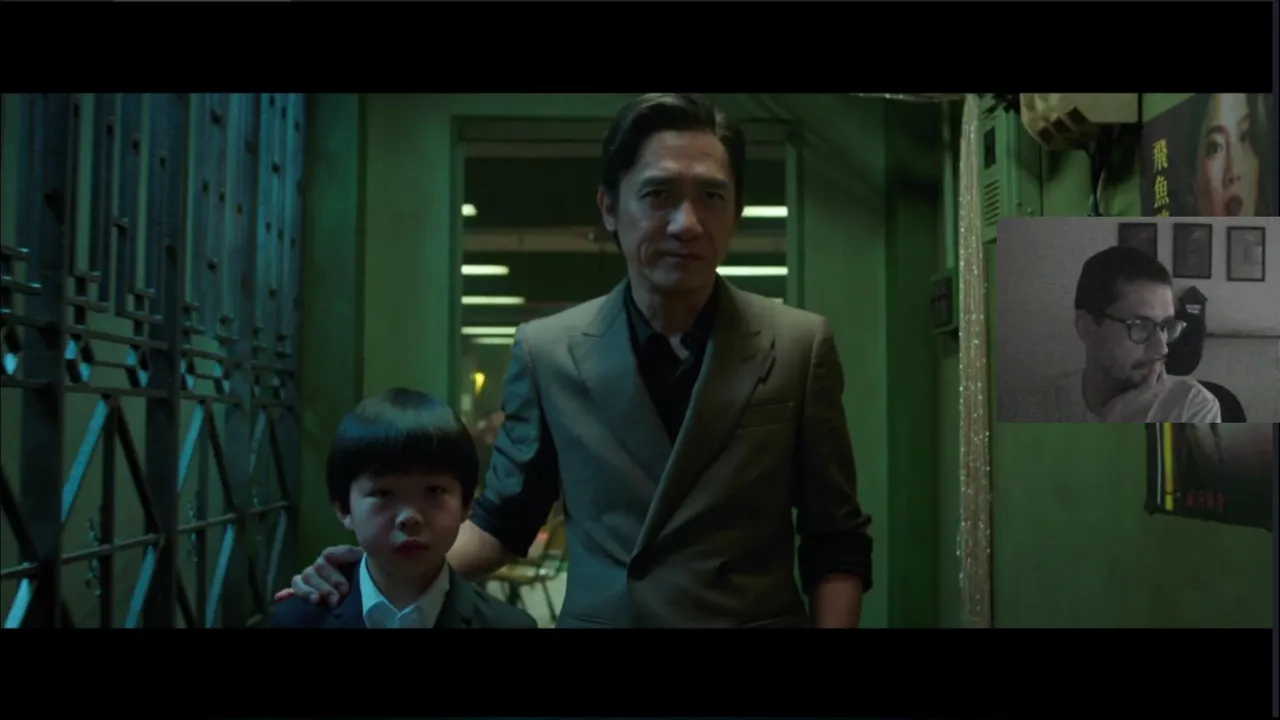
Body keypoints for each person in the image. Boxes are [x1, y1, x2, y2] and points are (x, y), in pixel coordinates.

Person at [279, 93, 873, 628]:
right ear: (609, 207)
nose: (687, 224)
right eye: (658, 195)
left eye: (711, 197)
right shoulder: (550, 351)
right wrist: (376, 568)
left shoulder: (797, 345)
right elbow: (504, 522)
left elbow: (836, 538)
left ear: (736, 211)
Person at [269, 388, 536, 629]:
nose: (410, 517)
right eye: (384, 494)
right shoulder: (296, 621)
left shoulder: (509, 625)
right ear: (344, 509)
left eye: (434, 491)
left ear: (465, 504)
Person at [1025, 246, 1222, 423]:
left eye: (1164, 326)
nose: (1162, 348)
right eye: (1141, 325)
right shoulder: (1035, 407)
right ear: (1087, 328)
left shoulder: (1193, 407)